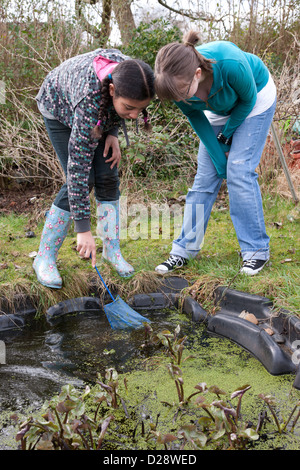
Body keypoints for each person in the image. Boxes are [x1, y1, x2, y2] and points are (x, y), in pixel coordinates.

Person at [154, 31, 277, 276]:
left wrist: (227, 136)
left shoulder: (230, 63)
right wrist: (220, 161)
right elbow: (196, 119)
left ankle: (256, 252)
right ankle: (183, 251)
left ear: (197, 74)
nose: (179, 100)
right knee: (204, 179)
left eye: (181, 93)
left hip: (254, 99)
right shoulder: (176, 85)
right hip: (216, 110)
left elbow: (248, 100)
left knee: (239, 170)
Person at [33, 48, 155, 288]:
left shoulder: (130, 75)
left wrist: (112, 132)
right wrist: (83, 230)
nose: (134, 115)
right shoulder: (89, 100)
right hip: (59, 107)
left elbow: (115, 107)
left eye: (140, 110)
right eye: (129, 108)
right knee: (85, 178)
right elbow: (77, 171)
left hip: (94, 109)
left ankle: (112, 251)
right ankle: (44, 257)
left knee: (108, 174)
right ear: (112, 91)